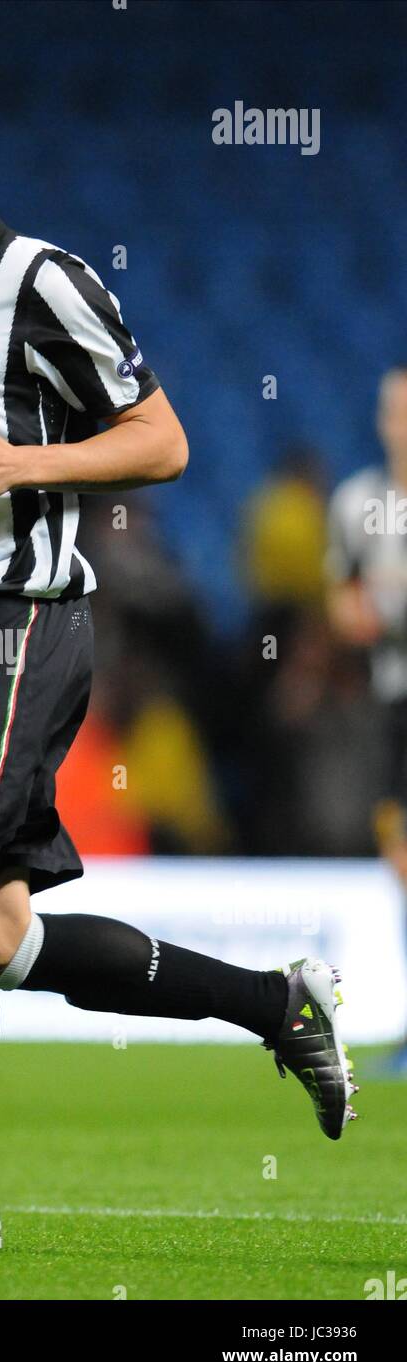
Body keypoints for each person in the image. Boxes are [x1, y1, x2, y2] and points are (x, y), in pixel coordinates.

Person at [0, 57, 357, 1252]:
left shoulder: (40, 283)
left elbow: (161, 441)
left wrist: (22, 465)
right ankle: (277, 1005)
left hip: (18, 624)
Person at [327, 365, 407, 1072]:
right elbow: (342, 603)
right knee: (400, 854)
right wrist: (375, 610)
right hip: (393, 699)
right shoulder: (357, 503)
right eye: (393, 413)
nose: (400, 425)